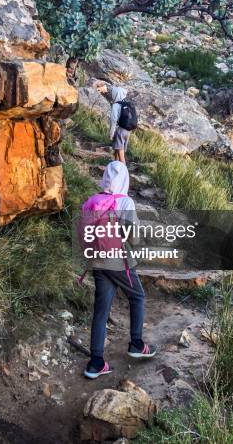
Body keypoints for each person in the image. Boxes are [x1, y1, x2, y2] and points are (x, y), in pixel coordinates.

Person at [82, 161, 157, 379]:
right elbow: (133, 236)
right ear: (125, 179)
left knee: (101, 311)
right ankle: (136, 343)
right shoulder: (125, 202)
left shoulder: (93, 201)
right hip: (119, 262)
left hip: (97, 261)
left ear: (105, 177)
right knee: (138, 297)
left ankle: (95, 362)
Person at [96, 83, 131, 164]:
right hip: (128, 131)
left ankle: (123, 173)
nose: (112, 95)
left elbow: (113, 121)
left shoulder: (116, 105)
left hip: (120, 131)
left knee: (121, 157)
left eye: (113, 94)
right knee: (118, 151)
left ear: (115, 94)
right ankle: (115, 166)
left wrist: (111, 134)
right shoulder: (126, 104)